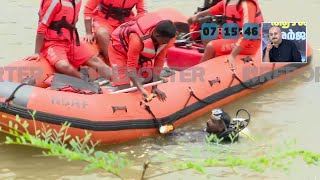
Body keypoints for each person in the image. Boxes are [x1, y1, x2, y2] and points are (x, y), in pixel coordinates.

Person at [24, 0, 112, 81]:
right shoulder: (53, 2)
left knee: (95, 61)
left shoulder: (77, 1)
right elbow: (41, 27)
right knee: (63, 66)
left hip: (72, 41)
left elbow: (73, 21)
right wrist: (37, 53)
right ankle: (84, 81)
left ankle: (119, 81)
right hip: (52, 43)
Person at [108, 13, 177, 101]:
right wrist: (142, 89)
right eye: (164, 42)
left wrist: (154, 87)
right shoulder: (137, 41)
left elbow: (159, 61)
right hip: (119, 50)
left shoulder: (167, 39)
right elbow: (131, 67)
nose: (167, 43)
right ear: (157, 36)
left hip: (139, 53)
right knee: (124, 88)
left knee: (147, 77)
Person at [187, 0, 264, 72]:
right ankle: (210, 61)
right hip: (234, 34)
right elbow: (213, 10)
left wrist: (232, 55)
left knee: (211, 46)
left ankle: (198, 71)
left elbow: (248, 34)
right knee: (207, 30)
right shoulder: (228, 1)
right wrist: (197, 16)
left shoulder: (247, 5)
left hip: (250, 42)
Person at [165, 108, 250, 143]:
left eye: (213, 122)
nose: (208, 122)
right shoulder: (208, 130)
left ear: (221, 127)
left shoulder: (217, 141)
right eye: (210, 119)